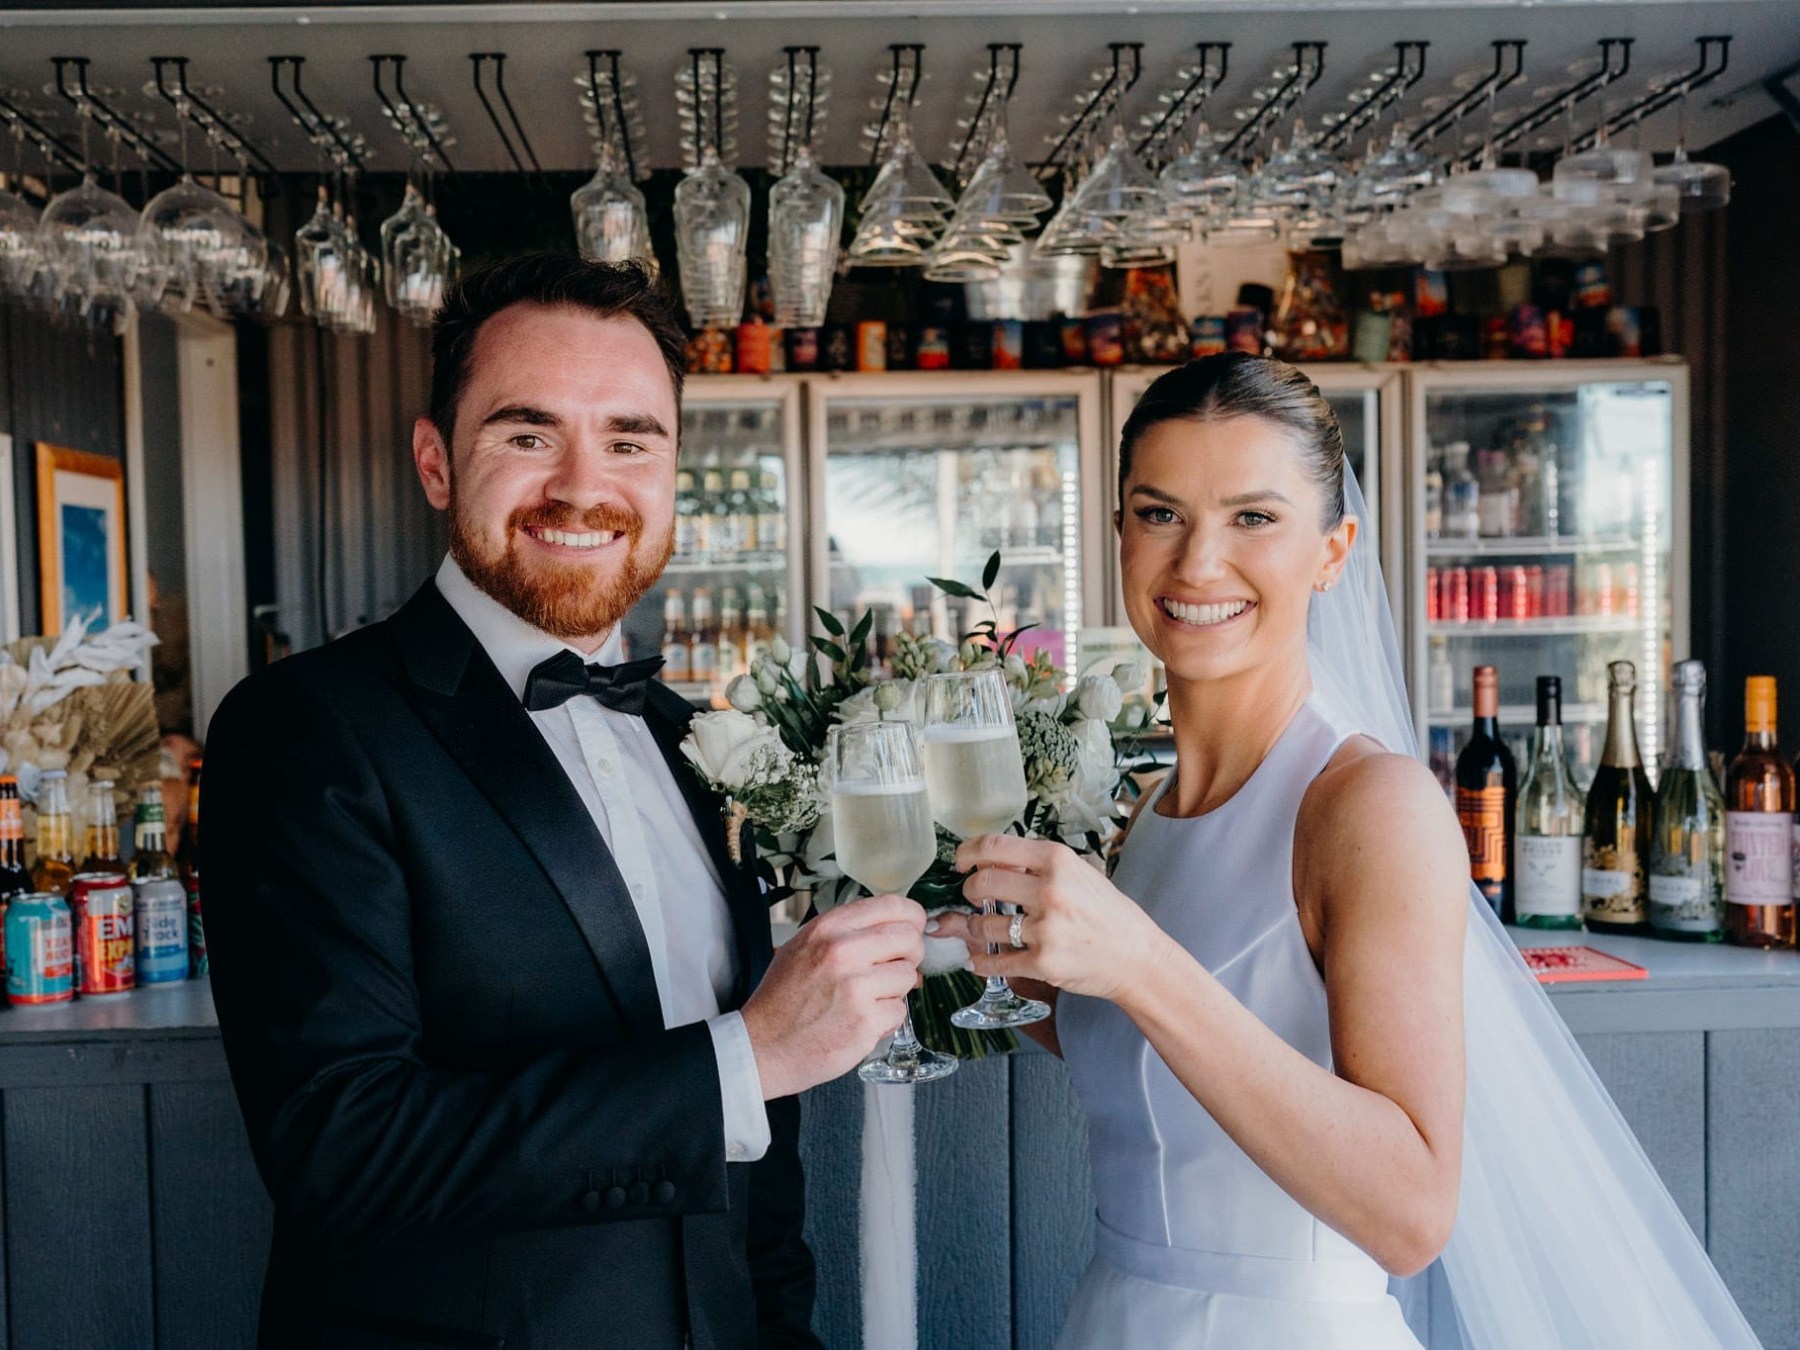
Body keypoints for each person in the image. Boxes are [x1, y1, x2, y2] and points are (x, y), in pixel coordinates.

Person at [936, 354, 1760, 1349]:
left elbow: (1411, 1213)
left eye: (1253, 518)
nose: (1198, 563)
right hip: (1116, 1316)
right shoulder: (1148, 810)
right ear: (1117, 535)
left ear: (1333, 551)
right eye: (1160, 514)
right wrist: (954, 946)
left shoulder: (1372, 807)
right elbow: (1153, 1069)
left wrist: (1141, 963)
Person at [204, 255, 927, 1350]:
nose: (583, 486)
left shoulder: (699, 743)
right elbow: (340, 1150)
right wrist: (750, 1056)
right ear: (437, 463)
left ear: (673, 469)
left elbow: (756, 1173)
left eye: (630, 440)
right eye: (527, 434)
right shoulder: (304, 730)